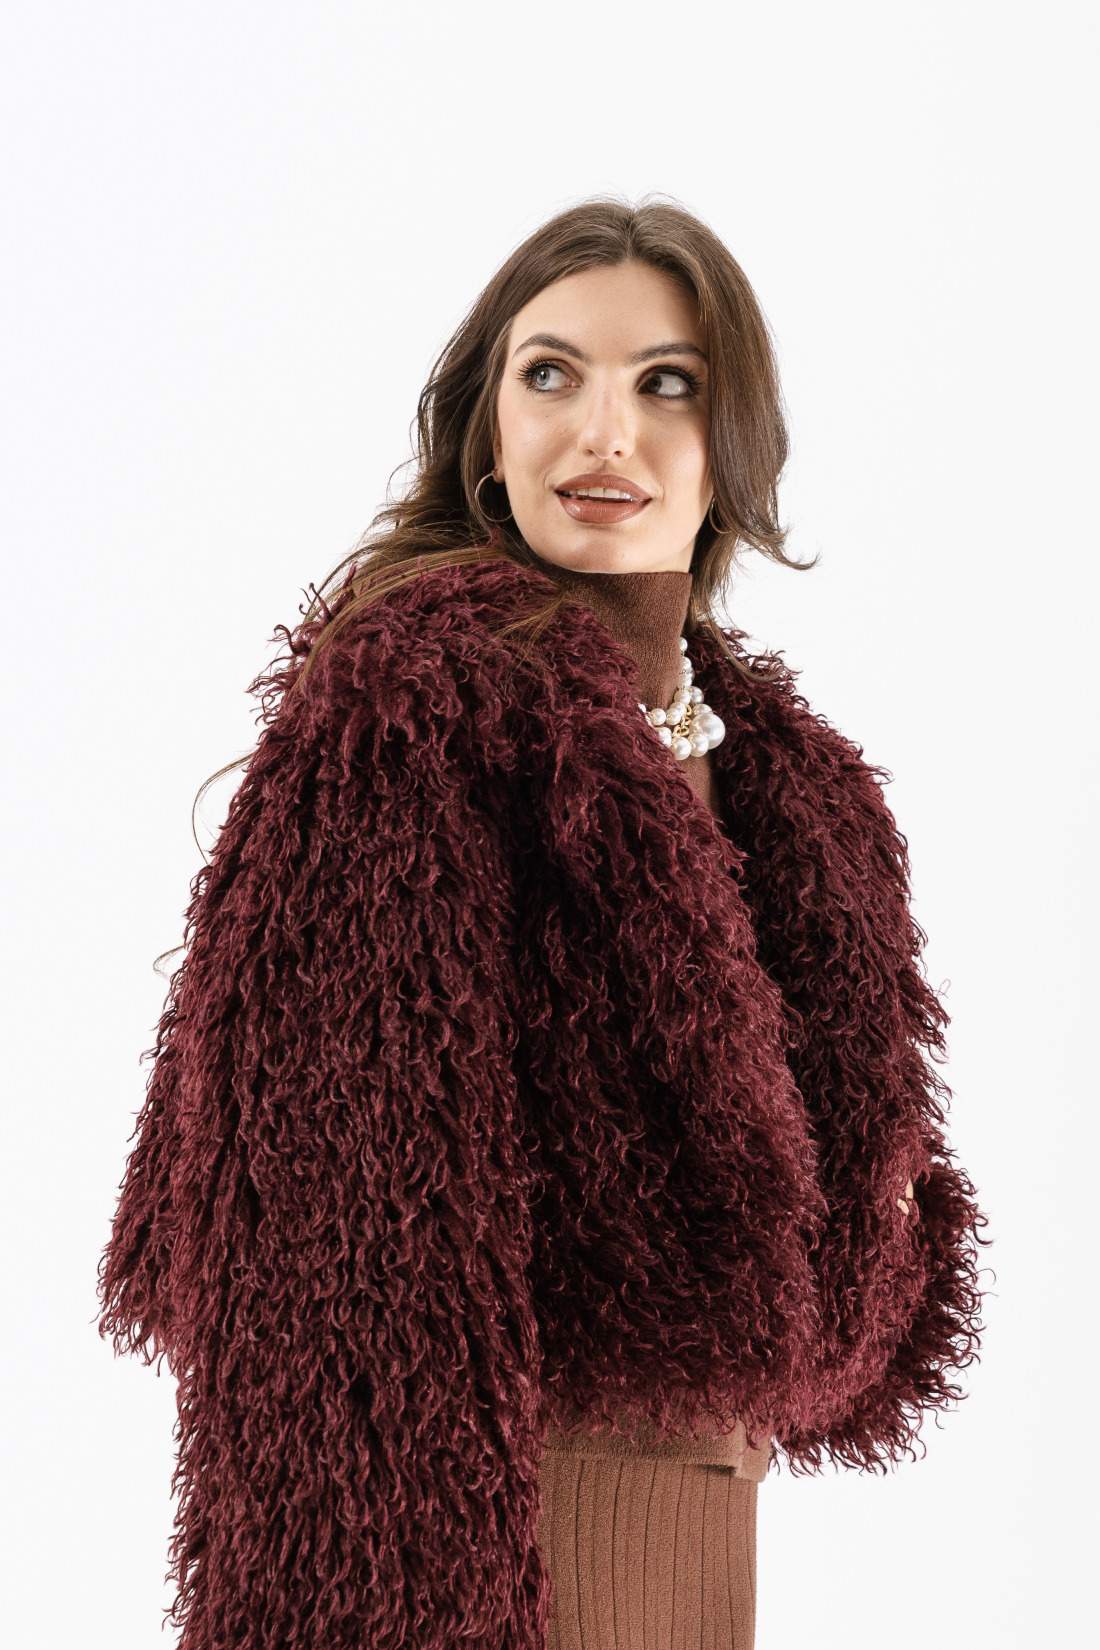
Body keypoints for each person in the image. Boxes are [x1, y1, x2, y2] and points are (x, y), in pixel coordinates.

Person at [99, 197, 984, 1650]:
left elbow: (835, 1226)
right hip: (484, 1552)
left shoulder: (785, 782)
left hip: (704, 1532)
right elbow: (334, 1252)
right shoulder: (411, 723)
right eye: (551, 374)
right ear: (489, 434)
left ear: (734, 443)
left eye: (667, 383)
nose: (603, 433)